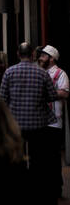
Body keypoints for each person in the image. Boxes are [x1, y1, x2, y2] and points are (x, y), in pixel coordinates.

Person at [0, 42, 58, 205]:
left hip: (16, 123)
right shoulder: (42, 73)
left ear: (18, 54)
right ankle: (36, 190)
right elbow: (52, 96)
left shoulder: (9, 72)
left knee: (17, 157)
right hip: (37, 123)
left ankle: (19, 188)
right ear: (33, 54)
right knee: (37, 158)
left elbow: (2, 97)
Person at [38, 44, 68, 197]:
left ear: (51, 58)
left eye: (43, 56)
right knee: (42, 156)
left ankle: (57, 188)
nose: (40, 58)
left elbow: (64, 93)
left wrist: (45, 91)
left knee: (54, 156)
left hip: (55, 120)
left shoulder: (60, 73)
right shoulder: (38, 72)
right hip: (40, 120)